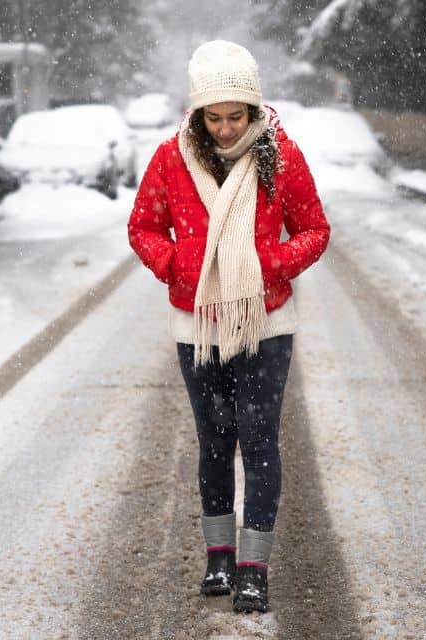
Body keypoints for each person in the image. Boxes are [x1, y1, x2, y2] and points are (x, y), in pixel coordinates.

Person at [126, 40, 330, 614]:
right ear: (197, 115)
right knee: (214, 439)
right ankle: (218, 557)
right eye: (212, 118)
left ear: (253, 109)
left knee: (260, 441)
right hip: (198, 327)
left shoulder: (280, 156)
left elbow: (314, 229)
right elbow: (143, 226)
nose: (223, 129)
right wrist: (178, 265)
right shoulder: (172, 158)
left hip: (266, 323)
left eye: (234, 116)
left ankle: (253, 568)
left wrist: (270, 264)